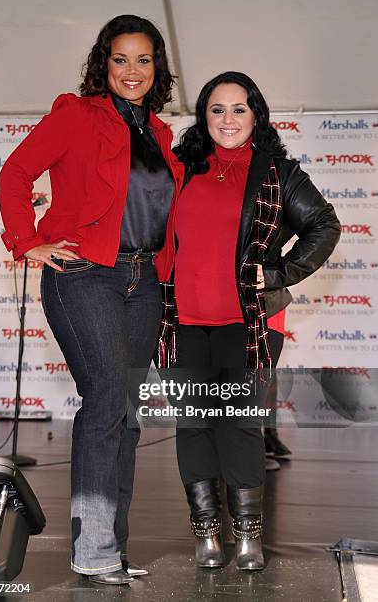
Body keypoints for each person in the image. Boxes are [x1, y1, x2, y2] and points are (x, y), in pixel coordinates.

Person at [0, 14, 184, 586]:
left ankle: (110, 548)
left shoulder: (161, 134)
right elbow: (15, 172)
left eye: (144, 60)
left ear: (158, 68)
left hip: (143, 281)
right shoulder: (75, 116)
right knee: (105, 399)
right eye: (121, 59)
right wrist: (27, 242)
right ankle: (94, 548)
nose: (132, 71)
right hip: (84, 275)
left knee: (124, 413)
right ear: (103, 64)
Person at [156, 71, 341, 570]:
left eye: (240, 108)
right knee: (193, 425)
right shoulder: (180, 168)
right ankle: (207, 534)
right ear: (203, 116)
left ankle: (248, 536)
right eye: (217, 109)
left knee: (239, 425)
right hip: (182, 323)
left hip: (249, 323)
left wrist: (281, 271)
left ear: (255, 114)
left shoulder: (279, 173)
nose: (228, 119)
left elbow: (325, 224)